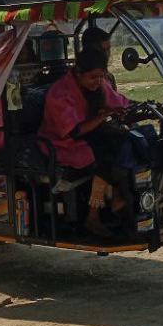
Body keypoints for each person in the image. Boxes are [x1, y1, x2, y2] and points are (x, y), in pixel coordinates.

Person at [39, 47, 133, 237]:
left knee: (125, 139)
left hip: (90, 134)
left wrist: (131, 108)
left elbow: (119, 102)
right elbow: (73, 131)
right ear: (78, 72)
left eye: (101, 76)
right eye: (93, 77)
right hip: (62, 143)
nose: (98, 81)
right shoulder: (60, 93)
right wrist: (103, 116)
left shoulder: (99, 84)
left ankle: (118, 197)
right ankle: (94, 214)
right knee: (104, 150)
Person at [81, 21, 117, 89]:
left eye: (108, 49)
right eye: (102, 50)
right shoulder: (82, 80)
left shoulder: (109, 78)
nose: (107, 55)